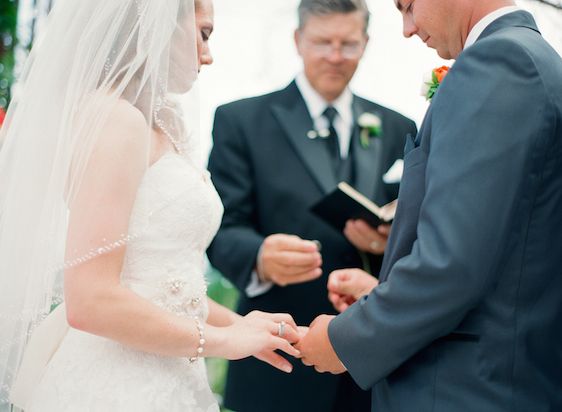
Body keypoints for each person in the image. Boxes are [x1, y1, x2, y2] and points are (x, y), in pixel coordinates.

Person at [0, 0, 302, 411]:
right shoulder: (115, 121)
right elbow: (90, 299)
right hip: (115, 384)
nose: (208, 55)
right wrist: (223, 341)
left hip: (169, 372)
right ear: (160, 27)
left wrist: (243, 325)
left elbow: (162, 282)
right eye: (204, 34)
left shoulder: (162, 120)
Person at [297, 0, 562, 410]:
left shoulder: (499, 61)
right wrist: (379, 293)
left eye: (408, 6)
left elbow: (450, 265)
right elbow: (503, 252)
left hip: (468, 388)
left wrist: (343, 340)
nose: (407, 28)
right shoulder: (533, 57)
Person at [206, 0, 417, 410]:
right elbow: (220, 230)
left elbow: (415, 229)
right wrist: (259, 257)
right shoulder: (241, 121)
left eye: (348, 44)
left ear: (366, 43)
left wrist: (384, 245)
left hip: (369, 365)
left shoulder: (398, 126)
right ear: (298, 40)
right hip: (278, 358)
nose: (335, 56)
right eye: (322, 42)